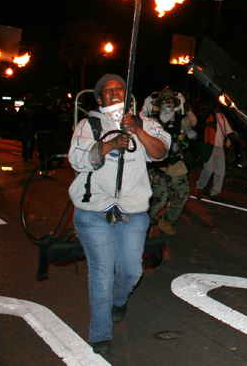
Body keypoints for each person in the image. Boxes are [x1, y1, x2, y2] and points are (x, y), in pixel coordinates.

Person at [68, 74, 169, 355]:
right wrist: (111, 144)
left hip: (133, 213)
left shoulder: (144, 122)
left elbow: (161, 152)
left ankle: (119, 299)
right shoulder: (88, 124)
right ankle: (100, 332)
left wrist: (137, 130)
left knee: (132, 270)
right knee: (102, 273)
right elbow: (76, 158)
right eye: (107, 91)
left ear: (126, 96)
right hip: (93, 211)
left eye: (119, 89)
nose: (114, 93)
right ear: (99, 99)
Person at [145, 87, 197, 235]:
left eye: (171, 101)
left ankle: (166, 221)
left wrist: (191, 139)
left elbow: (191, 130)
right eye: (165, 101)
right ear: (160, 103)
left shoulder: (182, 121)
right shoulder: (151, 120)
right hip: (156, 164)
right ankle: (147, 220)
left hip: (175, 163)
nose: (168, 104)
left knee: (182, 193)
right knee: (160, 195)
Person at [196, 104, 235, 197]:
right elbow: (198, 125)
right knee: (209, 169)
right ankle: (200, 186)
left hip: (220, 147)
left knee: (220, 172)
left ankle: (215, 193)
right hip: (210, 145)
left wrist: (240, 140)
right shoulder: (207, 114)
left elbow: (229, 132)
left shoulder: (222, 116)